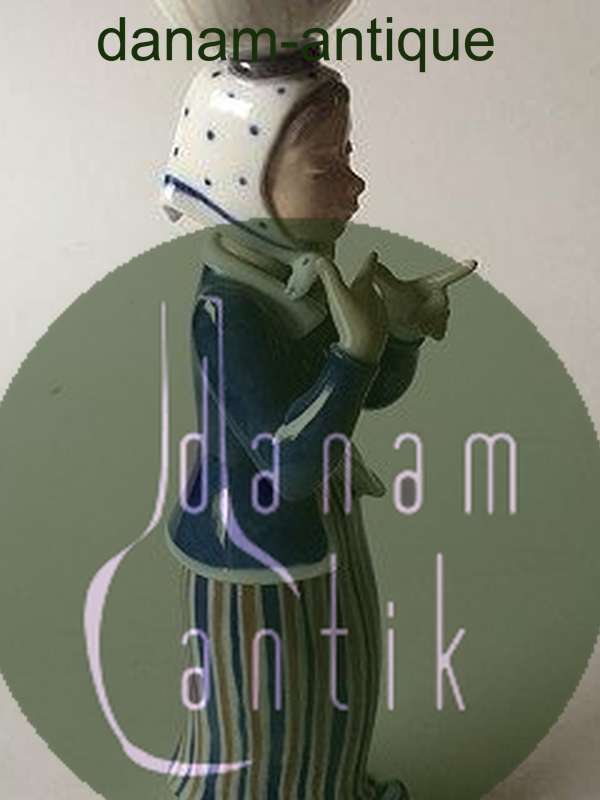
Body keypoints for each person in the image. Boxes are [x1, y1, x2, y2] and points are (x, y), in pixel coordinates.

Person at [160, 52, 472, 800]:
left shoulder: (300, 277)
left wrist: (398, 336)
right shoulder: (227, 312)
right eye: (328, 165)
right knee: (267, 715)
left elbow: (367, 399)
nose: (355, 186)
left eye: (347, 154)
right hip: (253, 553)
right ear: (244, 181)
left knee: (340, 687)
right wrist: (355, 352)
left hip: (319, 528)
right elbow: (289, 463)